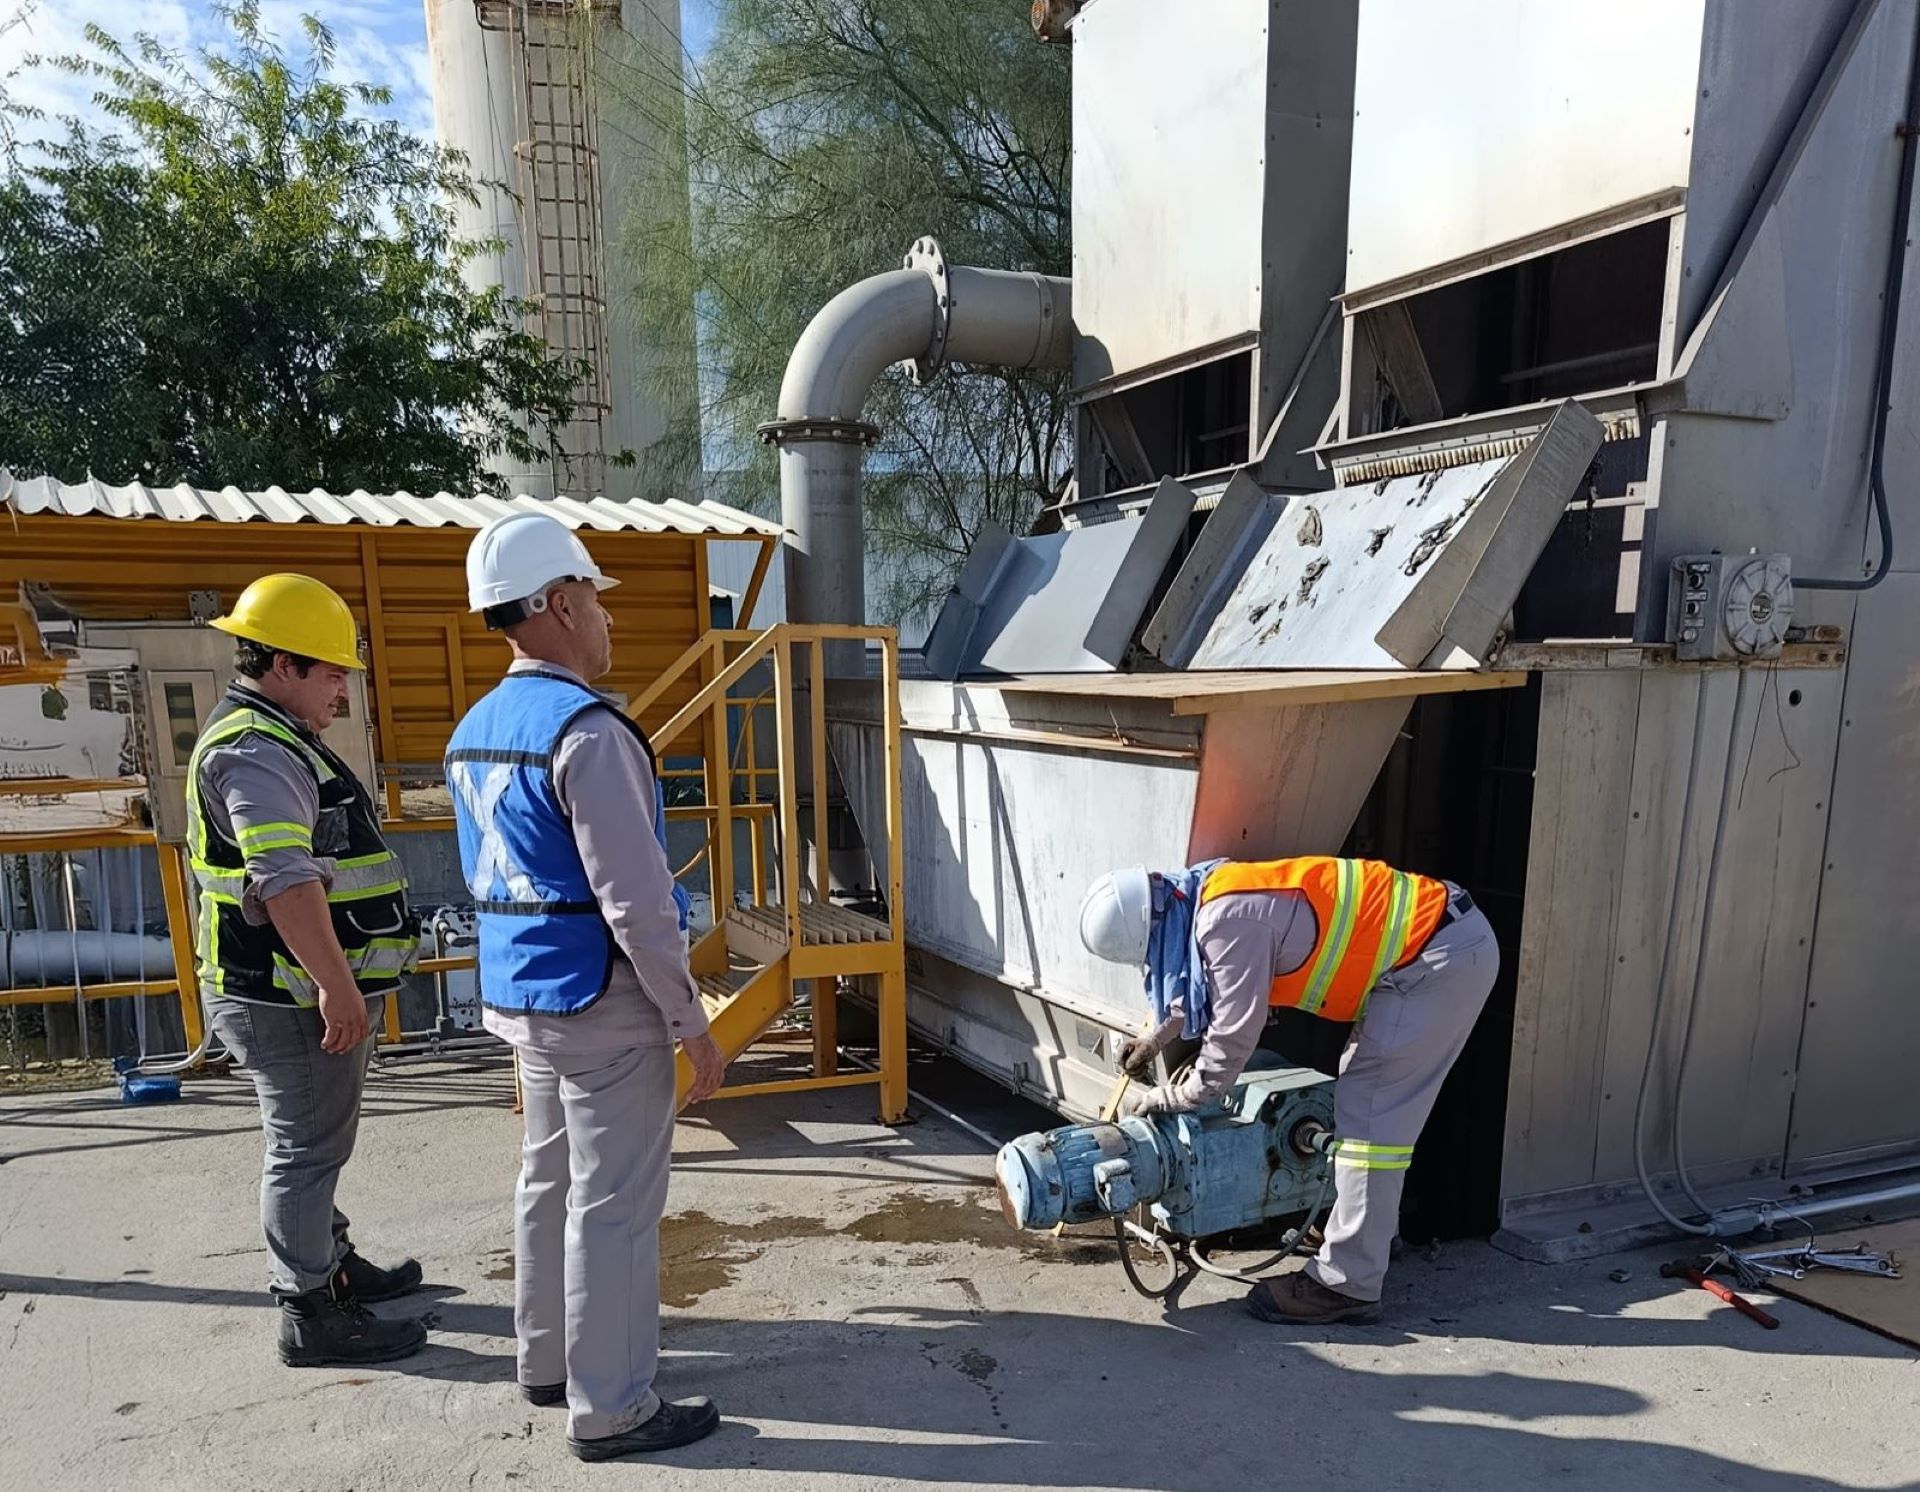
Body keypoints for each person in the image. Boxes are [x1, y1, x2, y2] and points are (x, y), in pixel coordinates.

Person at [446, 511, 727, 1462]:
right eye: (597, 598)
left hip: (523, 997)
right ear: (559, 604)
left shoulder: (475, 729)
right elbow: (638, 903)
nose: (607, 616)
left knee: (547, 1181)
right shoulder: (590, 733)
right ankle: (612, 1407)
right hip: (605, 1005)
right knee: (612, 1211)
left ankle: (547, 1362)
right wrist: (692, 1023)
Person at [1078, 855, 1498, 1325]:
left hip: (1435, 961)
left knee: (1370, 1120)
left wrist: (1167, 1099)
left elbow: (1228, 1047)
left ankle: (1348, 1283)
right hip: (1437, 941)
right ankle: (1368, 1238)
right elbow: (1204, 979)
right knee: (1367, 1107)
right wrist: (1156, 1038)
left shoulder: (1226, 926)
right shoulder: (1203, 891)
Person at [190, 574, 426, 1367]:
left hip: (278, 987)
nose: (342, 692)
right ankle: (310, 1311)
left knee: (314, 1140)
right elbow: (284, 878)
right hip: (285, 994)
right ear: (282, 665)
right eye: (331, 674)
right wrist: (336, 984)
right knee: (305, 1149)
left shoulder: (268, 734)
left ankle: (330, 1265)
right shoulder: (255, 750)